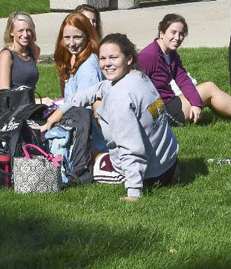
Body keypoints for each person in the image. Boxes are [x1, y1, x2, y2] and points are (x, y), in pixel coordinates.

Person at [43, 34, 179, 200]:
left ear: (129, 59)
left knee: (80, 158)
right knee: (90, 149)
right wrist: (61, 110)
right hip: (169, 162)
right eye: (102, 58)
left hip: (150, 175)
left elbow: (132, 148)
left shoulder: (120, 99)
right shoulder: (139, 77)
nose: (107, 63)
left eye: (113, 57)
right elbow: (97, 89)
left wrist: (133, 192)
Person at [138, 14, 231, 125]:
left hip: (168, 104)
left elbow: (183, 80)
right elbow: (133, 85)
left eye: (181, 34)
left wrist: (195, 103)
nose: (177, 38)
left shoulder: (170, 53)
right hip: (162, 113)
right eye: (173, 32)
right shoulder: (148, 55)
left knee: (207, 91)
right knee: (209, 88)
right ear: (161, 32)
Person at [53, 11, 107, 152]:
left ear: (88, 36)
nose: (71, 43)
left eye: (77, 37)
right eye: (67, 37)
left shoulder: (88, 68)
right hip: (73, 124)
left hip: (88, 140)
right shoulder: (73, 57)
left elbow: (85, 110)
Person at [0, 11, 41, 95]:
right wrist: (36, 101)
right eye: (20, 30)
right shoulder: (6, 56)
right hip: (15, 106)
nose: (25, 34)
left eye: (28, 30)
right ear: (11, 32)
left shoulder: (34, 51)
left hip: (31, 104)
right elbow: (4, 93)